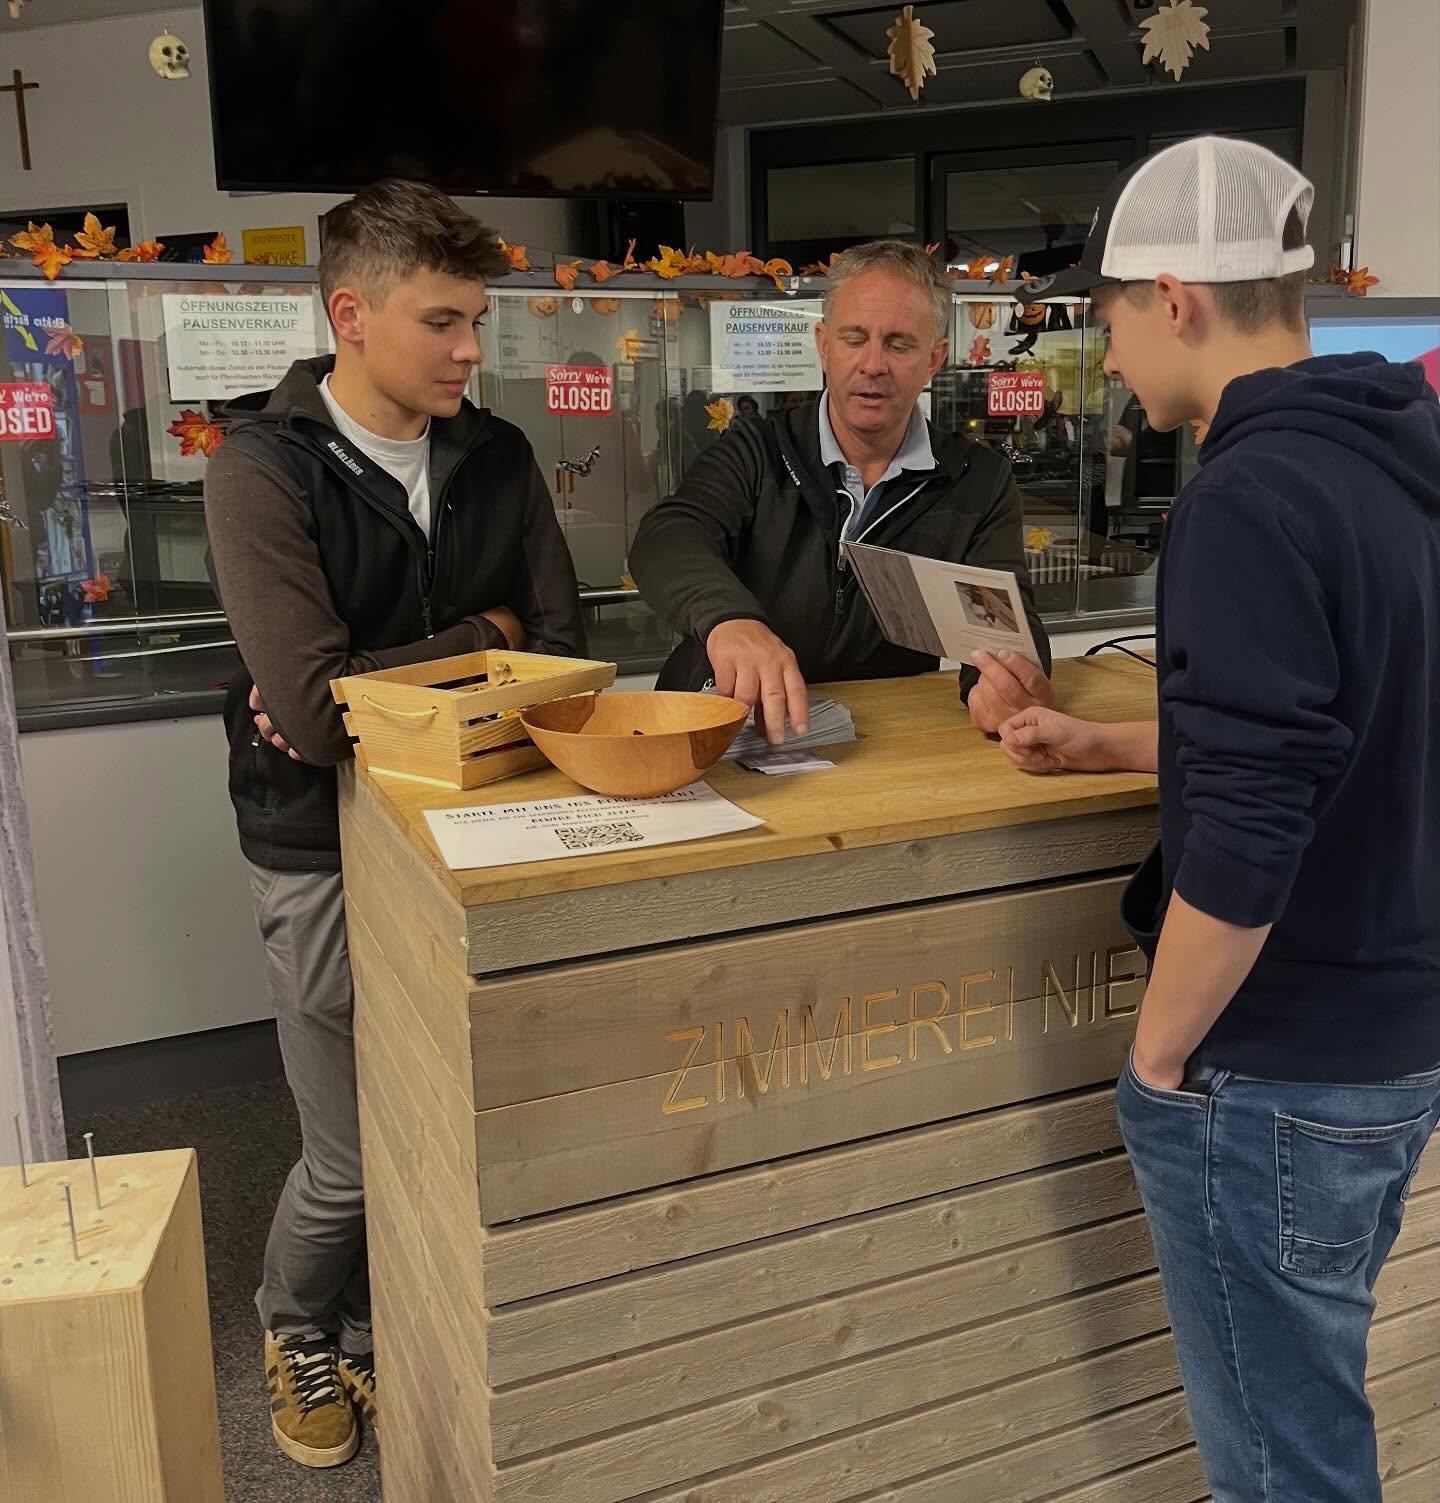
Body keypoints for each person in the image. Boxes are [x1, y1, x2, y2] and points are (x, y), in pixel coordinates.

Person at [998, 136, 1440, 1502]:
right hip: (1394, 1043)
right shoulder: (1400, 455)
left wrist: (1161, 1055)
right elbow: (1353, 721)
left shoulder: (1248, 496)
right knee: (1304, 1411)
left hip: (1278, 1065)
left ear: (1176, 298)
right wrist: (1114, 741)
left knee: (1283, 1466)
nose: (1110, 354)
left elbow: (1251, 837)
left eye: (1112, 315)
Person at [203, 179, 583, 1470]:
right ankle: (297, 1321)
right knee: (354, 1147)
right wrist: (487, 639)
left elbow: (570, 644)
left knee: (454, 1123)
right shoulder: (259, 463)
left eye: (477, 319)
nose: (473, 350)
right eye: (443, 321)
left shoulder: (498, 452)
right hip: (319, 839)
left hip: (479, 827)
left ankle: (392, 1315)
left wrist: (384, 673)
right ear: (351, 314)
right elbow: (313, 717)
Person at [630, 239, 1051, 744]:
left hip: (878, 742)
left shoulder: (976, 479)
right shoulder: (758, 448)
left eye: (898, 344)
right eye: (855, 339)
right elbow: (667, 535)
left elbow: (1002, 621)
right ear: (824, 345)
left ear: (934, 359)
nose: (873, 364)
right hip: (719, 725)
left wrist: (1006, 685)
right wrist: (730, 620)